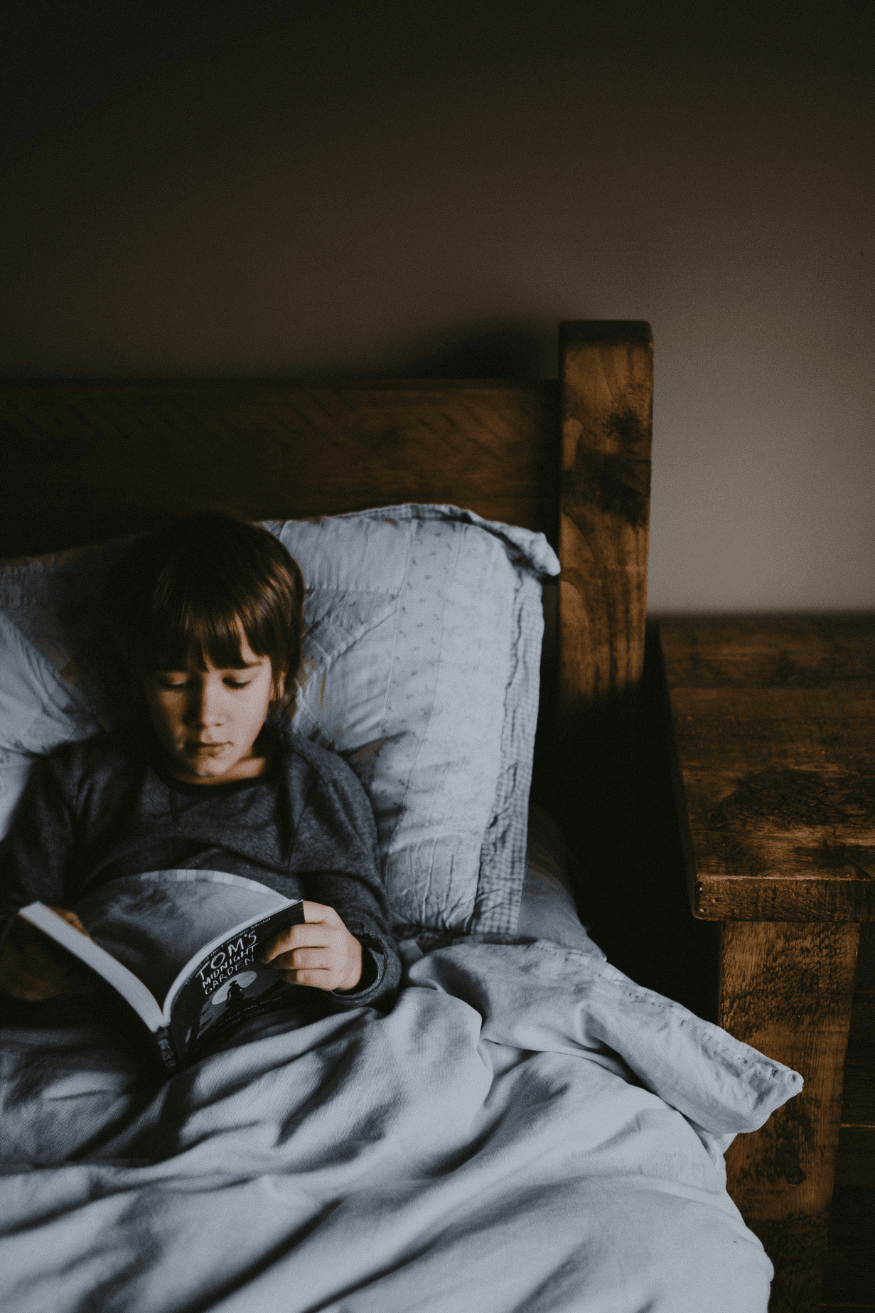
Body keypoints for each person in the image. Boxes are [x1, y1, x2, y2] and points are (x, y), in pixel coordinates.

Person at [0, 512, 401, 1018]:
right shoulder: (81, 780)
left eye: (237, 682)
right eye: (173, 683)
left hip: (264, 1020)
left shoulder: (310, 786)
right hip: (105, 1022)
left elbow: (372, 938)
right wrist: (18, 963)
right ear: (136, 679)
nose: (206, 716)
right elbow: (18, 913)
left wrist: (352, 966)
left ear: (279, 678)